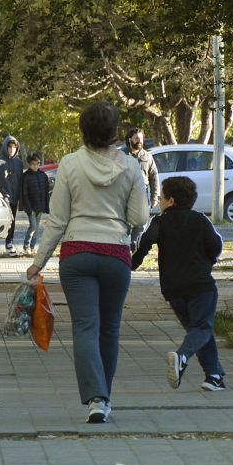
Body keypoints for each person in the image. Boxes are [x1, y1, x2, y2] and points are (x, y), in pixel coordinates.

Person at [26, 102, 149, 424]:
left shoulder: (69, 164)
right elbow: (139, 217)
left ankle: (96, 398)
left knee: (85, 327)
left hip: (77, 255)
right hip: (116, 256)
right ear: (115, 131)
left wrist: (39, 261)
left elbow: (57, 219)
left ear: (83, 130)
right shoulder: (132, 167)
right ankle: (104, 400)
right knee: (110, 329)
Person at [131, 176, 227, 392]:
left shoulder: (160, 222)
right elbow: (216, 245)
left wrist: (133, 262)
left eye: (161, 198)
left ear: (171, 201)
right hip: (200, 285)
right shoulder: (200, 220)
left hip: (173, 289)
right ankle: (182, 356)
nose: (159, 202)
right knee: (201, 328)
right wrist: (208, 261)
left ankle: (214, 376)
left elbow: (146, 240)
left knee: (198, 330)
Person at [123, 127, 159, 249]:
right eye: (136, 138)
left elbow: (154, 177)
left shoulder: (148, 157)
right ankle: (122, 246)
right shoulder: (122, 156)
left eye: (141, 138)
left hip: (143, 192)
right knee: (124, 222)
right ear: (130, 139)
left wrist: (154, 197)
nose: (139, 141)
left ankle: (134, 245)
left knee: (141, 222)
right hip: (125, 193)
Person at [0, 136, 23, 255]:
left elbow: (21, 180)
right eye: (9, 147)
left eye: (14, 147)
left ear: (17, 148)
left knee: (12, 220)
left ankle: (9, 242)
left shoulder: (19, 163)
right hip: (2, 197)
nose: (11, 149)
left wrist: (22, 197)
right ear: (5, 147)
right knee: (2, 219)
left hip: (15, 196)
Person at [20, 153, 50, 256]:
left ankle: (32, 248)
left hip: (40, 206)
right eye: (33, 164)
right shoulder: (26, 176)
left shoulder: (43, 176)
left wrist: (46, 206)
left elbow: (46, 192)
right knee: (33, 226)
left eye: (37, 164)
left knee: (37, 228)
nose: (35, 166)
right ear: (29, 164)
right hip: (30, 207)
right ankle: (26, 246)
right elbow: (24, 194)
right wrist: (28, 208)